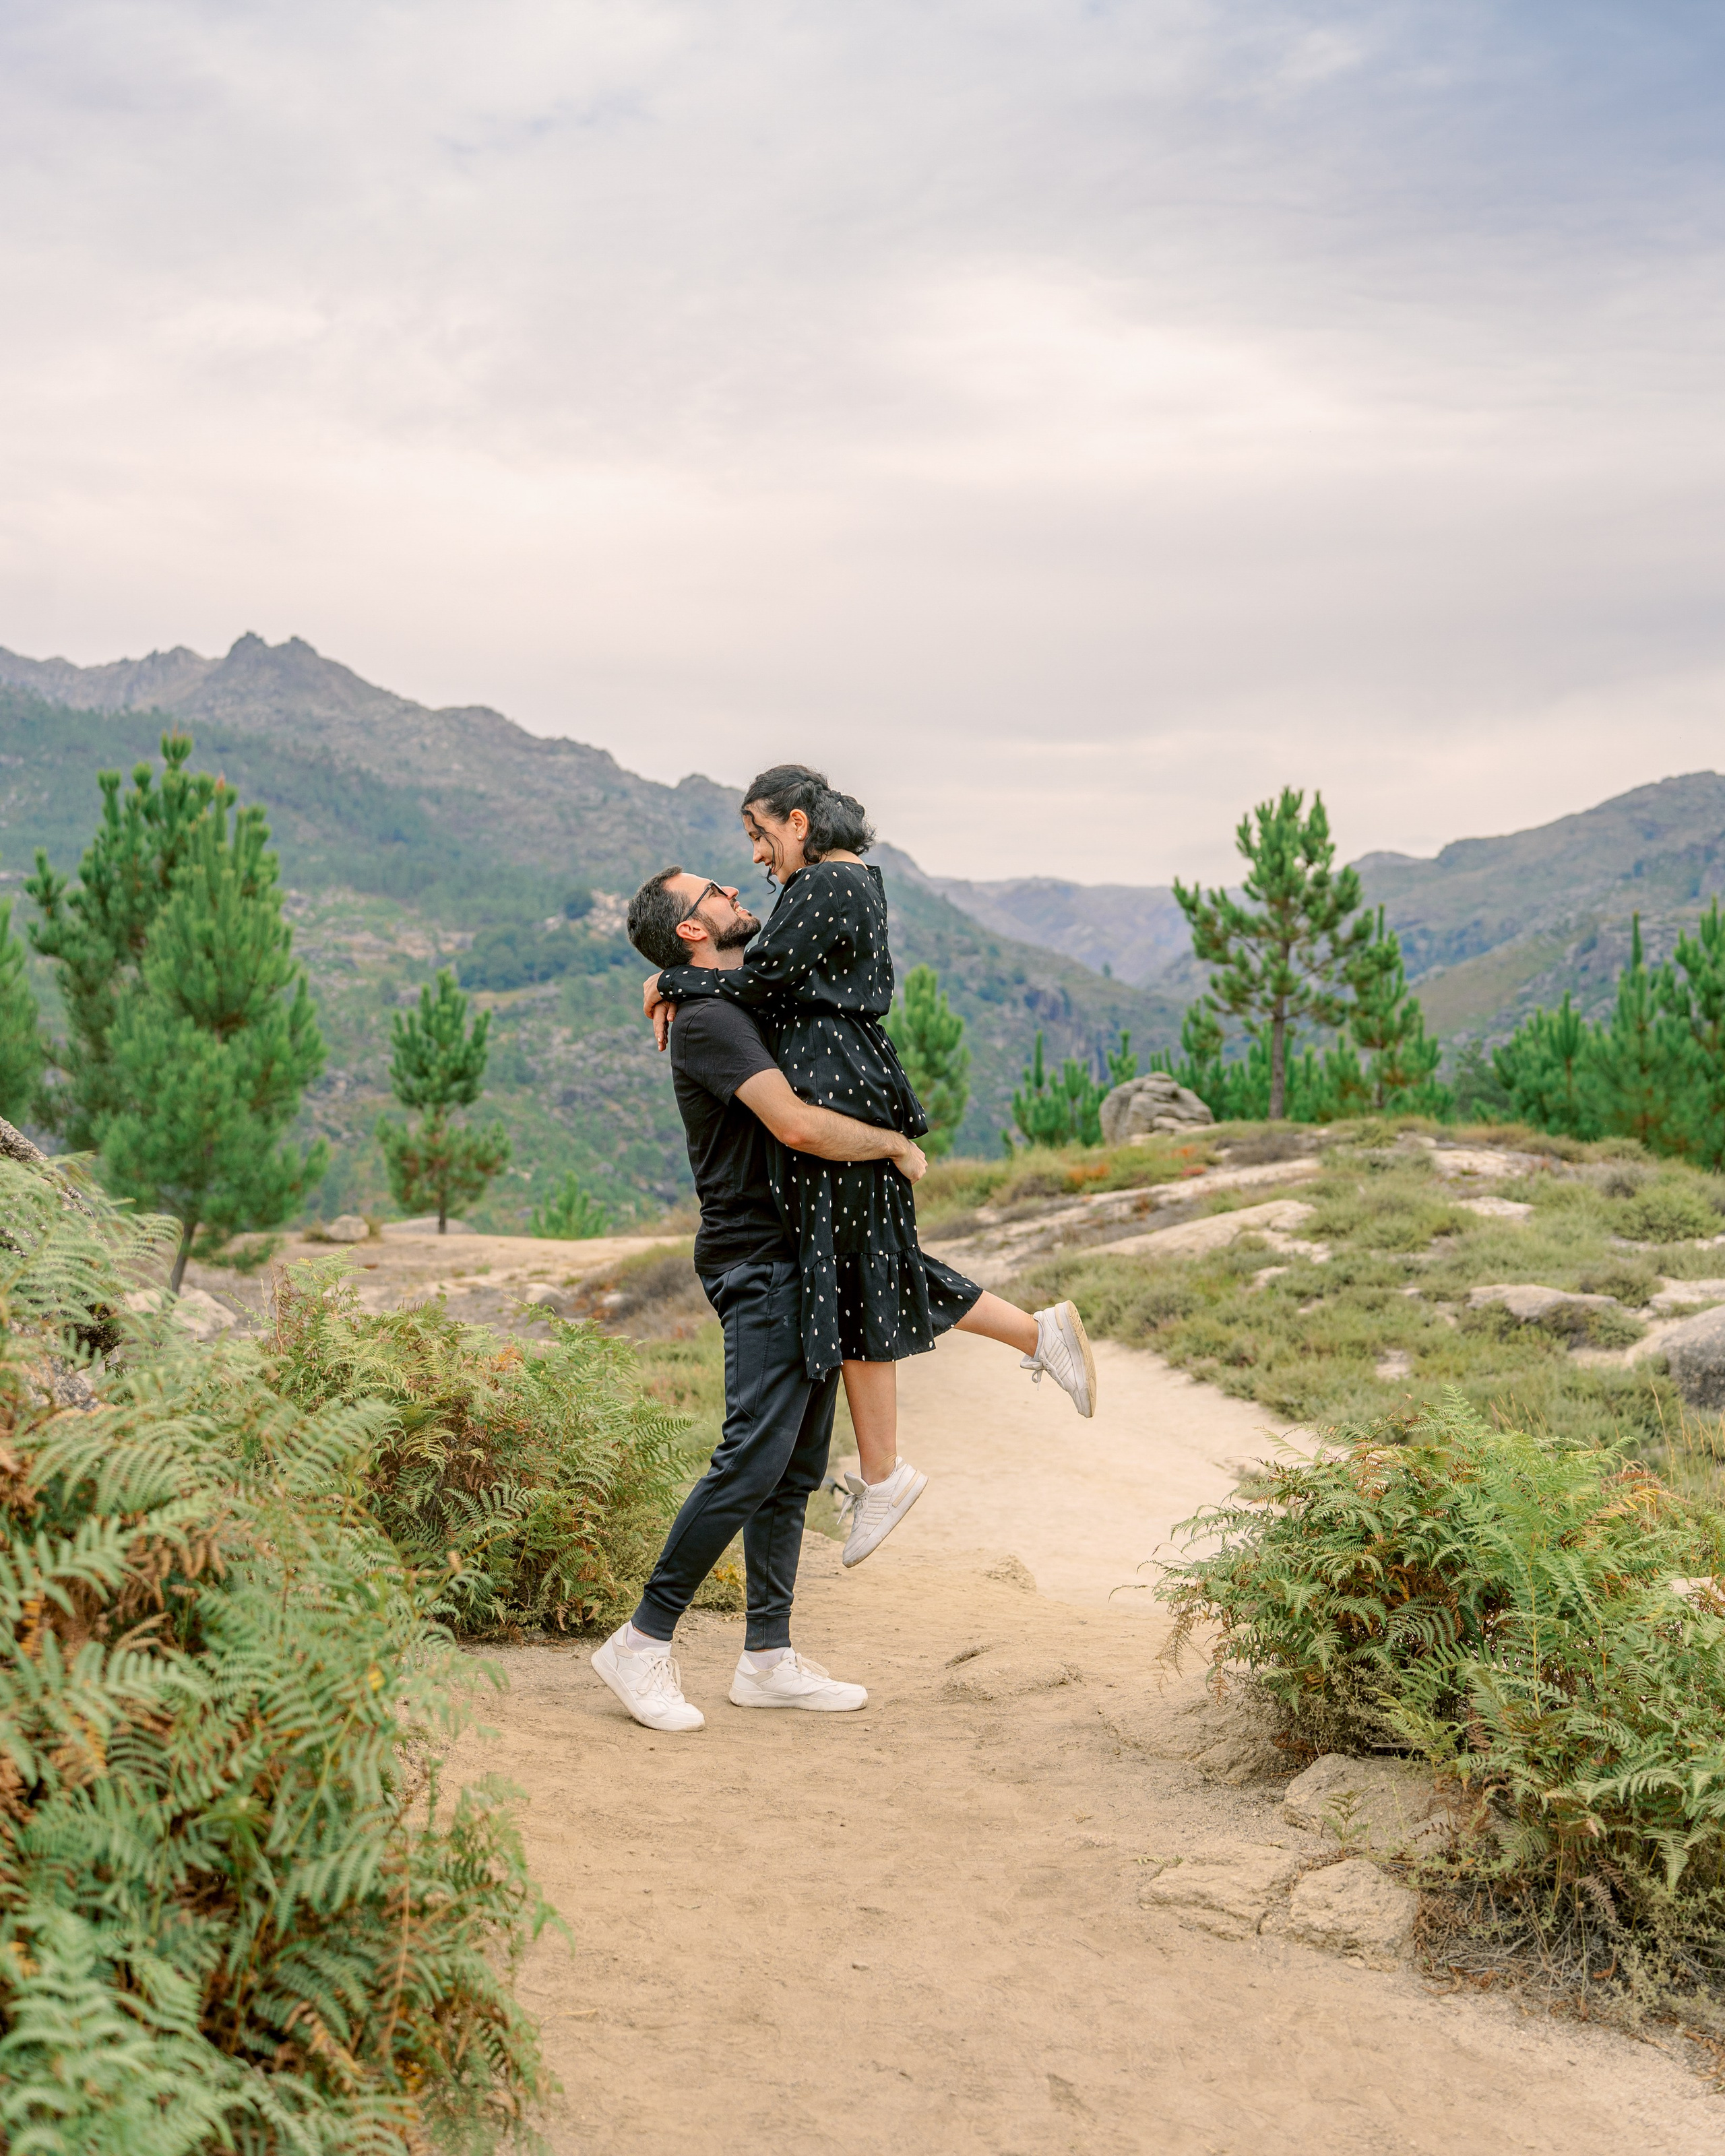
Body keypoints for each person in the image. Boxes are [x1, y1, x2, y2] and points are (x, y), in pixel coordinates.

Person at [639, 764, 1096, 1572]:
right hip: (842, 1075)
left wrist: (670, 980)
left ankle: (892, 1468)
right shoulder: (835, 886)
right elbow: (764, 983)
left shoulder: (824, 887)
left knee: (855, 1269)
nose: (755, 856)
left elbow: (765, 980)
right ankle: (1017, 1349)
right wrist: (681, 978)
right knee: (863, 1266)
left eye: (758, 833)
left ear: (799, 822)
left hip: (837, 1082)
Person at [590, 870, 930, 1733]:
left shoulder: (722, 996)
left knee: (794, 1466)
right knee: (753, 1453)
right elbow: (797, 1125)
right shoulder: (709, 1022)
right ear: (692, 929)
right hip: (760, 1259)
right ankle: (640, 1640)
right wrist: (894, 1143)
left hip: (805, 1252)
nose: (735, 885)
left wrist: (670, 977)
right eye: (712, 889)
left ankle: (769, 1658)